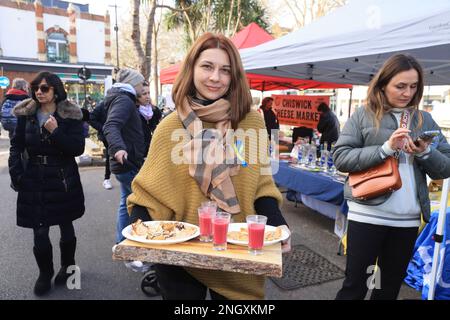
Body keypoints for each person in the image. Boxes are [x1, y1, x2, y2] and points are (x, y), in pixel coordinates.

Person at [126, 33, 291, 300]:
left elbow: (261, 185)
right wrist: (140, 232)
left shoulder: (251, 122)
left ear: (234, 76)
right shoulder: (170, 126)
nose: (215, 77)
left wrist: (277, 224)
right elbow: (149, 192)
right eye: (207, 67)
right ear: (191, 70)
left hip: (237, 248)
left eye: (225, 70)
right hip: (180, 254)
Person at [333, 54, 450, 300]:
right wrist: (385, 148)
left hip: (406, 221)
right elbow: (341, 157)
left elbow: (446, 167)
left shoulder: (424, 118)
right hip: (366, 215)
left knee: (387, 290)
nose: (408, 92)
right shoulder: (364, 114)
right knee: (355, 286)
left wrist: (426, 152)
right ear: (383, 83)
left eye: (414, 86)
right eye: (401, 86)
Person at [8, 71, 85, 296]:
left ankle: (68, 267)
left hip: (62, 178)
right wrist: (16, 174)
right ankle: (45, 273)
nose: (39, 92)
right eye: (36, 88)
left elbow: (76, 148)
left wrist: (56, 131)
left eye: (44, 88)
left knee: (66, 225)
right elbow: (16, 145)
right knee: (39, 230)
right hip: (34, 178)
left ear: (55, 90)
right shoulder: (26, 113)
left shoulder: (70, 114)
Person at [103, 68, 146, 244]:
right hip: (127, 162)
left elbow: (99, 120)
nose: (143, 87)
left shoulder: (119, 98)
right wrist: (119, 148)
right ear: (133, 84)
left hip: (124, 162)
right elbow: (110, 125)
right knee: (141, 204)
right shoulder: (124, 100)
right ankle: (135, 248)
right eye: (141, 83)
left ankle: (122, 243)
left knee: (125, 203)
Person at [88, 100, 113, 189]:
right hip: (107, 135)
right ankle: (107, 179)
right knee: (110, 154)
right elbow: (91, 118)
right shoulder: (103, 105)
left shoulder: (124, 102)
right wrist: (103, 128)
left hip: (122, 133)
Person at [136, 81, 162, 157]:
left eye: (149, 93)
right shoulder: (134, 111)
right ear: (137, 96)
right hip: (139, 151)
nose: (147, 96)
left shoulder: (155, 110)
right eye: (144, 94)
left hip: (153, 149)